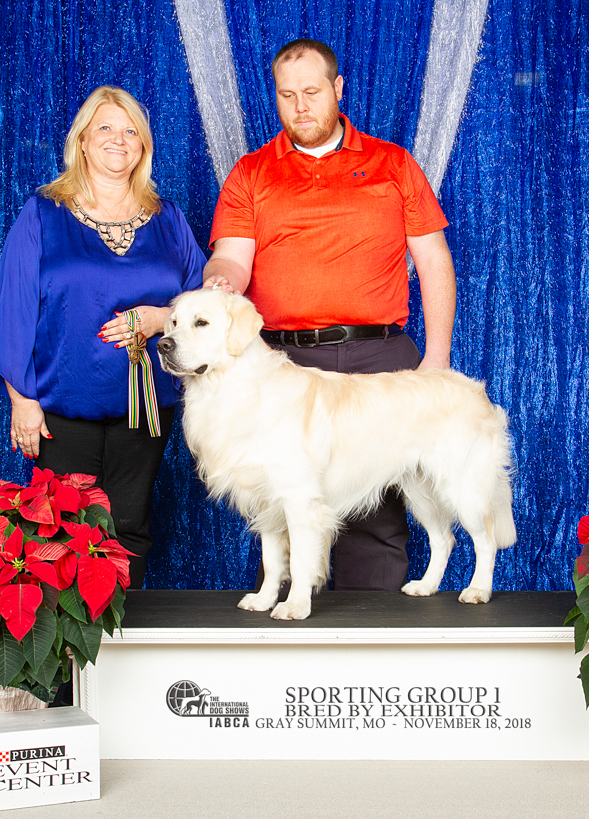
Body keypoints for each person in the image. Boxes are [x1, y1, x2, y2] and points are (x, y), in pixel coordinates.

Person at [203, 39, 457, 592]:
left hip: (379, 354)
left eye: (312, 92)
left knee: (378, 515)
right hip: (284, 362)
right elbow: (232, 257)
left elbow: (434, 261)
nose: (300, 107)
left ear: (338, 89)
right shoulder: (251, 172)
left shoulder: (392, 163)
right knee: (281, 498)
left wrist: (436, 357)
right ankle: (290, 614)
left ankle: (372, 631)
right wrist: (219, 282)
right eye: (287, 95)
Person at [0, 86, 205, 588]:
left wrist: (160, 317)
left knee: (129, 526)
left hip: (146, 405)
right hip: (63, 407)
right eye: (105, 127)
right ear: (82, 141)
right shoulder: (43, 213)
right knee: (62, 533)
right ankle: (67, 642)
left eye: (131, 131)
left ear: (143, 146)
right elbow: (13, 310)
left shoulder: (167, 218)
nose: (118, 139)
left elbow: (200, 304)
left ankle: (121, 637)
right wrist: (22, 400)